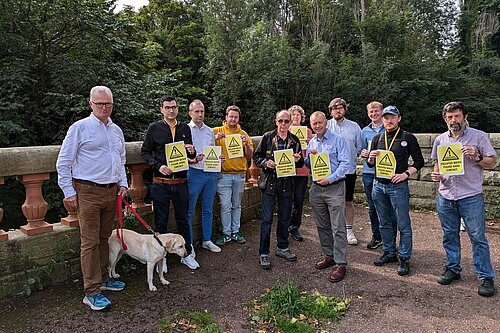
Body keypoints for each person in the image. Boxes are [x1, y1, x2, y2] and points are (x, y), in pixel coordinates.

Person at [56, 86, 128, 311]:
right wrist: (68, 192)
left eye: (108, 104)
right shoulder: (80, 128)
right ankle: (91, 291)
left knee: (105, 237)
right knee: (89, 242)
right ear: (90, 104)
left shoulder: (116, 130)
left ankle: (105, 279)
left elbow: (120, 160)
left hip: (111, 191)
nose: (104, 108)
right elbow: (64, 162)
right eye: (100, 104)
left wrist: (123, 183)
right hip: (87, 191)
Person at [431, 101, 496, 297]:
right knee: (449, 234)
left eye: (457, 116)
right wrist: (437, 174)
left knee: (477, 237)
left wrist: (477, 158)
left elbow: (492, 162)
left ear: (464, 117)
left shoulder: (479, 136)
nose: (453, 120)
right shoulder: (440, 140)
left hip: (470, 196)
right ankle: (453, 268)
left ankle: (485, 276)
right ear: (445, 119)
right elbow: (437, 164)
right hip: (446, 195)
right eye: (449, 117)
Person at [141, 95, 200, 270]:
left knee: (183, 220)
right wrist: (158, 166)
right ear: (161, 110)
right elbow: (145, 153)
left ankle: (187, 254)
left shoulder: (184, 129)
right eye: (167, 107)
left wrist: (192, 151)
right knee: (160, 222)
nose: (171, 110)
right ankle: (161, 258)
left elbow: (190, 156)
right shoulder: (154, 128)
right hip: (161, 183)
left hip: (181, 182)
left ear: (177, 109)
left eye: (173, 107)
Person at [367, 106, 424, 276]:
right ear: (382, 120)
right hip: (379, 186)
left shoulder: (408, 137)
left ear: (399, 118)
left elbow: (419, 162)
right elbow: (370, 164)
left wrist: (405, 174)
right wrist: (370, 157)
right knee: (384, 221)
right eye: (386, 118)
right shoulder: (377, 138)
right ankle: (389, 251)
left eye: (392, 117)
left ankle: (404, 258)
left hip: (398, 187)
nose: (389, 121)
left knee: (403, 223)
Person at [253, 110, 304, 269]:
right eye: (280, 121)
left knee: (284, 218)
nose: (283, 124)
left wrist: (298, 159)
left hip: (287, 184)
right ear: (276, 122)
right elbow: (256, 157)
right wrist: (265, 163)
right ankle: (264, 253)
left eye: (286, 121)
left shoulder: (295, 140)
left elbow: (300, 164)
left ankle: (282, 247)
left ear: (290, 123)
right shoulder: (268, 137)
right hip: (269, 182)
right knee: (267, 220)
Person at [306, 111, 350, 283]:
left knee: (338, 226)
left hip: (334, 187)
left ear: (326, 122)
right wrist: (309, 158)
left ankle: (341, 263)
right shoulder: (312, 142)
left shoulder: (338, 140)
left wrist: (330, 179)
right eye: (314, 123)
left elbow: (345, 164)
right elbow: (310, 165)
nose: (317, 126)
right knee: (322, 225)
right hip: (317, 189)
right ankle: (329, 255)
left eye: (320, 122)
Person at [213, 105, 254, 245]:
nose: (233, 119)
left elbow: (250, 156)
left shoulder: (243, 134)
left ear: (238, 118)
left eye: (236, 117)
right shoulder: (217, 131)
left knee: (236, 205)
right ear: (226, 117)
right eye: (231, 116)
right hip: (223, 175)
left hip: (240, 175)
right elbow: (203, 147)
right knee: (225, 205)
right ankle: (226, 233)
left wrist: (245, 145)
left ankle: (235, 231)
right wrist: (214, 138)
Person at [187, 99, 222, 253]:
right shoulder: (185, 130)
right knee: (190, 210)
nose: (200, 114)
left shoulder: (209, 131)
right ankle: (189, 244)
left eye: (202, 111)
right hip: (194, 173)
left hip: (210, 173)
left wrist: (217, 159)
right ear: (190, 113)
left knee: (208, 209)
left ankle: (206, 240)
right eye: (197, 111)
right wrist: (193, 159)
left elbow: (212, 151)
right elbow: (181, 156)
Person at [326, 98, 362, 245]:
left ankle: (348, 231)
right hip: (330, 173)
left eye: (340, 108)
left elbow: (359, 148)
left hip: (348, 171)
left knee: (347, 201)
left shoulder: (354, 127)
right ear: (330, 111)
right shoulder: (326, 125)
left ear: (345, 110)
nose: (338, 110)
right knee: (330, 203)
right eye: (334, 108)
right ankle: (333, 231)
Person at [360, 101, 385, 249]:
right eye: (371, 112)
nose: (374, 114)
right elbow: (361, 150)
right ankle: (376, 236)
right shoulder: (364, 131)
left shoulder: (388, 128)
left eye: (376, 111)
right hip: (369, 173)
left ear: (381, 111)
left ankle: (388, 238)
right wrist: (364, 153)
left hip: (386, 173)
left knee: (386, 207)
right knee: (372, 206)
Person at [287, 105, 313, 242]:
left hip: (302, 170)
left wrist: (310, 145)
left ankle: (294, 227)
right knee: (286, 200)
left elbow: (312, 149)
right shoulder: (286, 130)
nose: (296, 117)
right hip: (288, 170)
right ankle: (285, 226)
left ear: (302, 117)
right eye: (293, 115)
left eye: (298, 115)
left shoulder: (308, 132)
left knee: (298, 199)